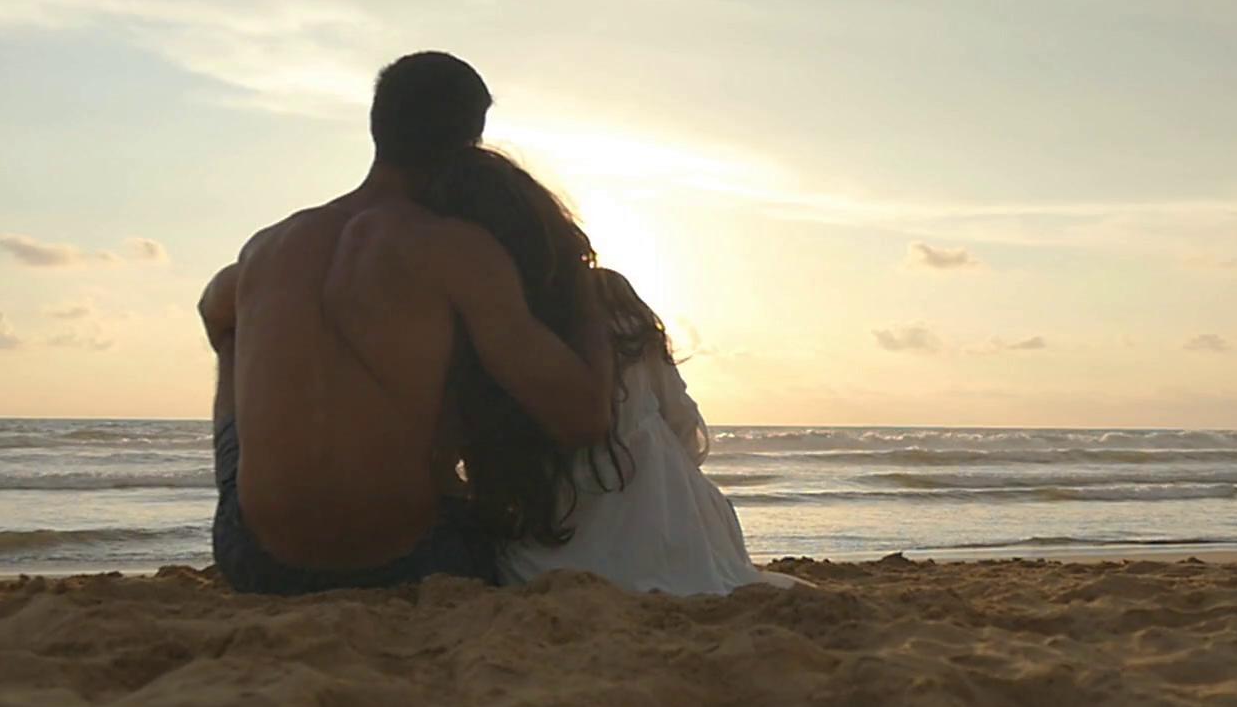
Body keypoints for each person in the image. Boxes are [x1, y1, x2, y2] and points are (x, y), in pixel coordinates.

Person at [198, 52, 612, 594]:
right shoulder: (456, 251)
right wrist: (584, 283)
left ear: (378, 126)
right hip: (406, 561)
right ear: (472, 138)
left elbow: (213, 310)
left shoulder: (269, 246)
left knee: (233, 336)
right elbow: (583, 419)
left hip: (256, 561)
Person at [420, 146, 800, 595]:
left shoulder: (474, 325)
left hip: (544, 550)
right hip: (671, 536)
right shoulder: (610, 300)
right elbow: (681, 422)